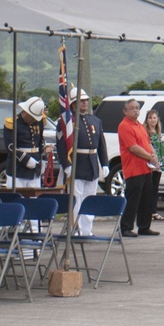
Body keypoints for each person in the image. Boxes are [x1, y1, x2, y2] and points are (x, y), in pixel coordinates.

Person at [57, 88, 109, 236]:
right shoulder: (67, 122)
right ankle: (76, 228)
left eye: (86, 100)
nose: (85, 102)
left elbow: (101, 144)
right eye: (81, 100)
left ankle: (87, 229)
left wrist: (104, 163)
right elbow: (61, 146)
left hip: (91, 164)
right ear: (73, 104)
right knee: (77, 198)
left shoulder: (95, 121)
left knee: (89, 198)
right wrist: (66, 165)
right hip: (77, 164)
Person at [117, 98, 160, 237]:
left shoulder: (140, 126)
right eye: (132, 108)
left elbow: (147, 144)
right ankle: (125, 227)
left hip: (145, 168)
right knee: (133, 199)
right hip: (134, 169)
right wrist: (149, 156)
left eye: (137, 107)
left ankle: (144, 226)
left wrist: (154, 157)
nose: (135, 110)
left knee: (146, 198)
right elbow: (133, 147)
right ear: (125, 111)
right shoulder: (125, 126)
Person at [4, 96, 46, 189]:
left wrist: (43, 159)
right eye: (32, 117)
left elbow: (40, 142)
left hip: (35, 169)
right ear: (25, 112)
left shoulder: (38, 122)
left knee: (33, 199)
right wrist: (25, 159)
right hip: (18, 169)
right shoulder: (13, 123)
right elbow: (10, 146)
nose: (34, 120)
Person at [146, 109, 164, 222]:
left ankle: (153, 211)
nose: (153, 120)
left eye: (154, 118)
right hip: (151, 163)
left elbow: (158, 146)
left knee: (155, 188)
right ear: (147, 120)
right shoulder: (146, 132)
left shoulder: (157, 132)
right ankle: (147, 211)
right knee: (149, 188)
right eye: (150, 118)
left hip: (160, 162)